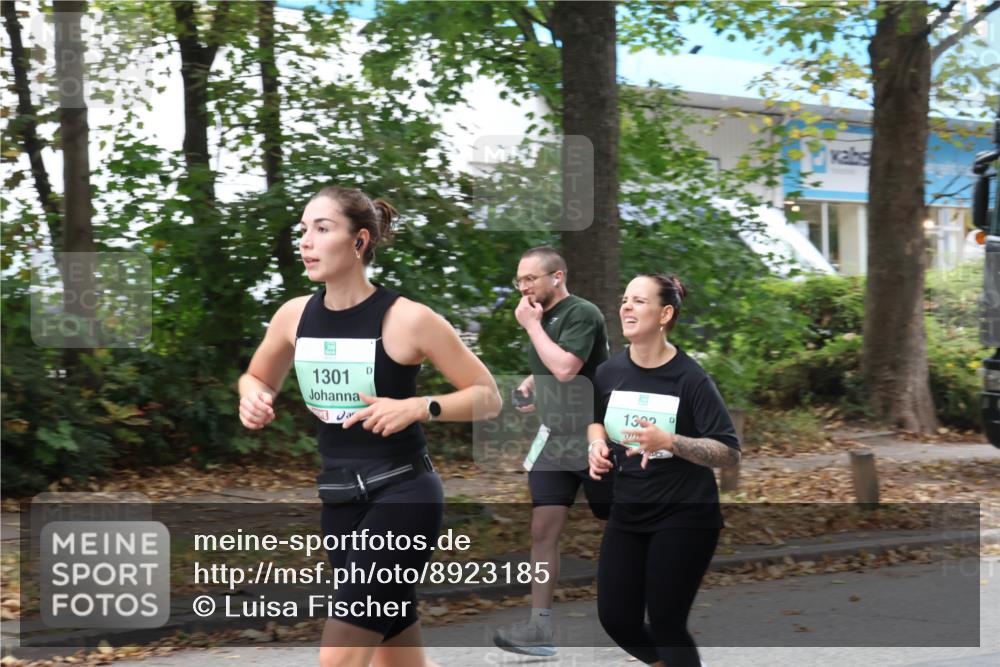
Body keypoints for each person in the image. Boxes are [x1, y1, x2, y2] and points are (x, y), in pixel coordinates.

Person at [238, 185, 502, 667]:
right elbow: (257, 376)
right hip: (339, 503)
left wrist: (422, 407)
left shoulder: (408, 319)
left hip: (403, 496)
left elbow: (488, 396)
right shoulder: (293, 317)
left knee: (338, 658)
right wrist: (253, 396)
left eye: (322, 229)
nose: (306, 242)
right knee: (395, 658)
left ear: (359, 242)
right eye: (303, 231)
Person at [588, 273, 741, 667]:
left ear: (665, 313)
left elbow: (728, 452)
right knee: (617, 619)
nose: (626, 306)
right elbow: (596, 420)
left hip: (685, 514)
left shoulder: (690, 378)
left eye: (639, 301)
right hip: (629, 511)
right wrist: (596, 445)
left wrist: (670, 441)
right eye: (625, 299)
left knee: (667, 623)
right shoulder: (609, 373)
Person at [492, 246, 612, 657]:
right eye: (519, 280)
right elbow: (552, 364)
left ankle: (640, 611)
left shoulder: (583, 312)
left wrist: (530, 327)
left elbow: (566, 367)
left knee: (619, 526)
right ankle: (539, 629)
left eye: (531, 279)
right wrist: (531, 382)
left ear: (556, 277)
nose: (523, 287)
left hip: (596, 436)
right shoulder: (545, 317)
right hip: (555, 439)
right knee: (542, 531)